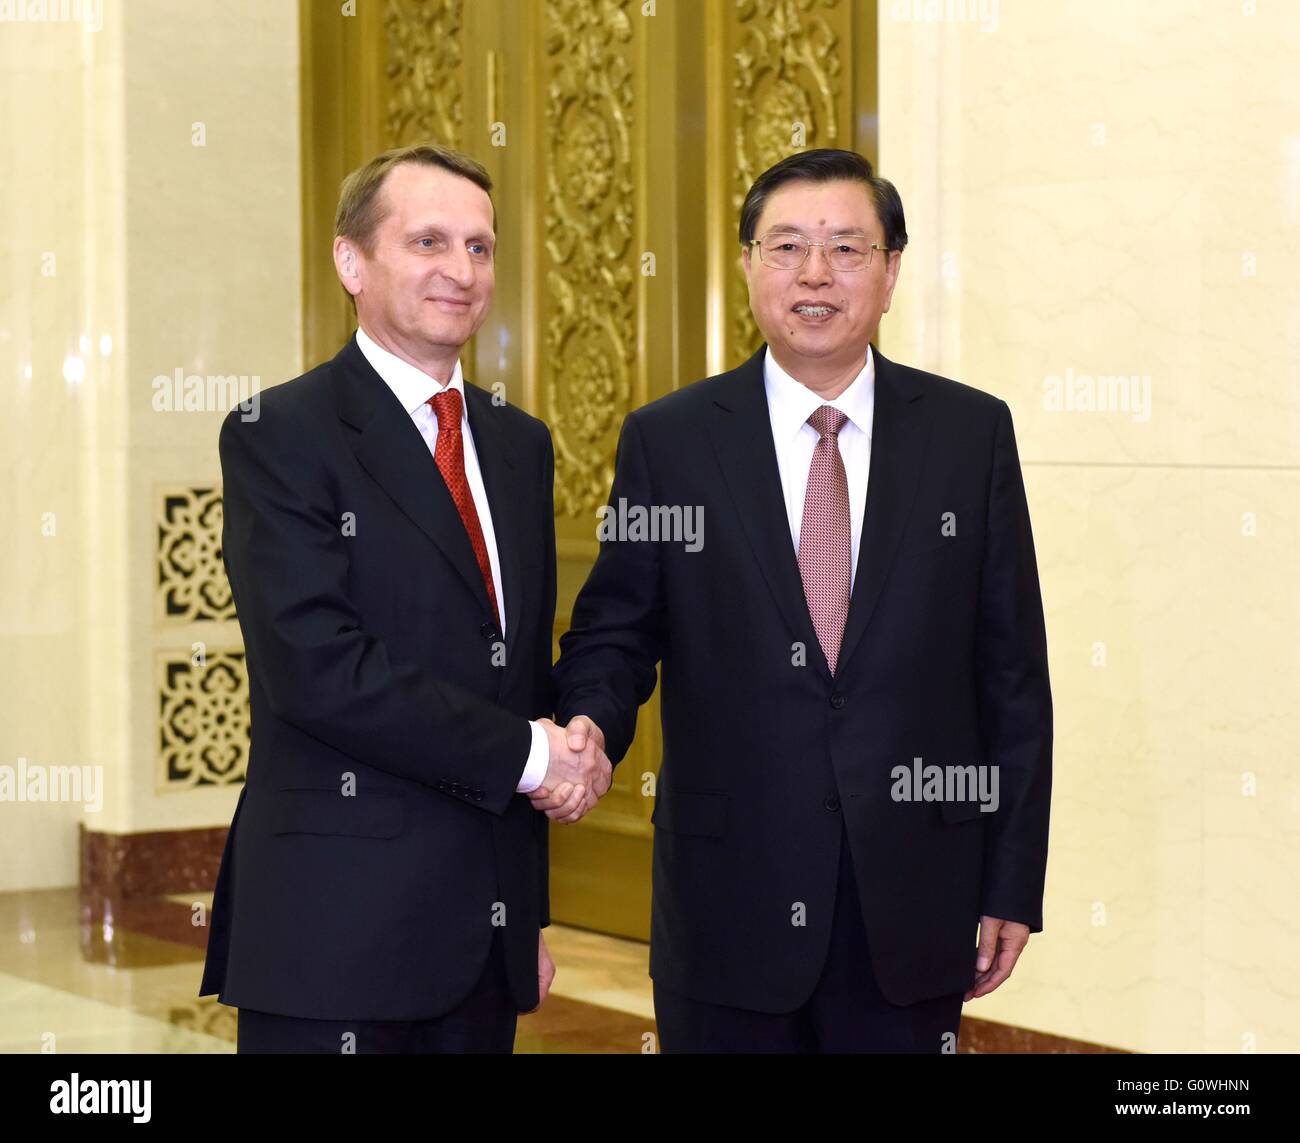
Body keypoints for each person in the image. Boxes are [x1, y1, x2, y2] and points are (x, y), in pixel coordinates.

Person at [541, 148, 1052, 1053]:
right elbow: (618, 630)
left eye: (847, 249)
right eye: (787, 247)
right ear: (747, 265)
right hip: (725, 903)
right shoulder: (673, 442)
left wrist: (1011, 881)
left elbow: (1012, 675)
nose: (815, 274)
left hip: (913, 903)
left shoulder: (970, 435)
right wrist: (588, 725)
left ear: (891, 272)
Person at [199, 143, 610, 1054]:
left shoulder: (518, 445)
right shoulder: (283, 433)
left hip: (482, 946)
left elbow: (517, 678)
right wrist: (533, 758)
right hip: (333, 937)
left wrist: (526, 916)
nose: (460, 271)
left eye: (479, 246)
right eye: (428, 241)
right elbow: (319, 671)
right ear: (352, 261)